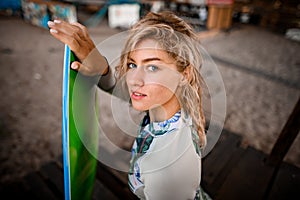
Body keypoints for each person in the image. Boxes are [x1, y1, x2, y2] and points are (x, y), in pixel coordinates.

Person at [48, 11, 211, 200]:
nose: (134, 80)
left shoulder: (166, 172)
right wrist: (97, 63)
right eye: (133, 65)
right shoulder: (176, 101)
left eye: (152, 67)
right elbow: (122, 88)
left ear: (185, 75)